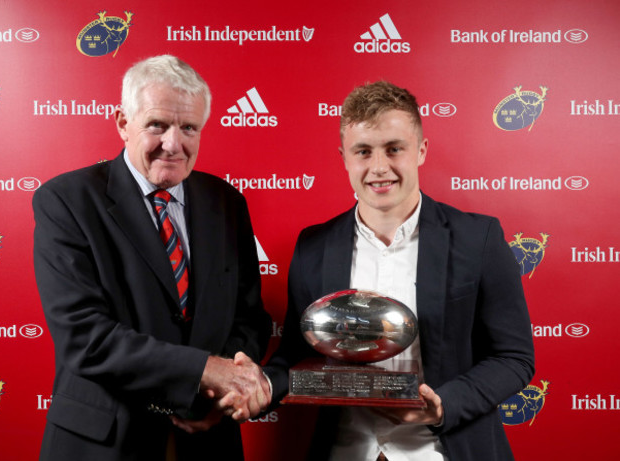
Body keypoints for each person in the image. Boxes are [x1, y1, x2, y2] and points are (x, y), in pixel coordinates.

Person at [263, 81, 535, 460]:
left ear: (421, 151)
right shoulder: (314, 246)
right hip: (346, 450)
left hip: (442, 449)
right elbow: (296, 354)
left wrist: (442, 406)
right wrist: (256, 385)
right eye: (363, 151)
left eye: (394, 149)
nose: (379, 167)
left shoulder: (479, 238)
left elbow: (514, 357)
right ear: (344, 157)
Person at [33, 55, 272, 460]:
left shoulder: (227, 202)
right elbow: (84, 338)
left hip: (208, 437)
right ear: (124, 123)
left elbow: (249, 319)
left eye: (189, 128)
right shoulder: (66, 201)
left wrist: (217, 396)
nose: (173, 144)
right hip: (105, 442)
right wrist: (204, 371)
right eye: (157, 124)